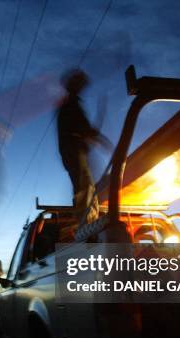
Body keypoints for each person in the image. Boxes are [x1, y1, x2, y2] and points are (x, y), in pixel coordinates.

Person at [57, 69, 112, 223]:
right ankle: (86, 225)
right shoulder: (70, 104)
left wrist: (96, 138)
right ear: (73, 85)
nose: (82, 87)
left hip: (73, 152)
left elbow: (84, 130)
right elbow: (84, 129)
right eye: (80, 83)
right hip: (74, 152)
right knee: (84, 187)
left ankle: (89, 222)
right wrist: (102, 141)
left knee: (87, 187)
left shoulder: (70, 104)